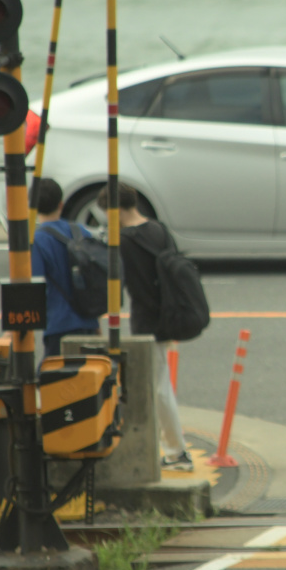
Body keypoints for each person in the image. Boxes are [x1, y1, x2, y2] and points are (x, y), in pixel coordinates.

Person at [98, 184, 193, 472]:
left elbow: (125, 284)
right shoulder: (159, 229)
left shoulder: (124, 241)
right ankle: (174, 449)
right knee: (160, 383)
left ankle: (177, 452)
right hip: (169, 314)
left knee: (159, 387)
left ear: (114, 211)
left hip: (146, 319)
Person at [30, 178, 101, 358]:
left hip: (58, 325)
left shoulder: (37, 241)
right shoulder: (80, 232)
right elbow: (93, 280)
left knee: (57, 381)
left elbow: (34, 289)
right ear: (61, 204)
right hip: (88, 322)